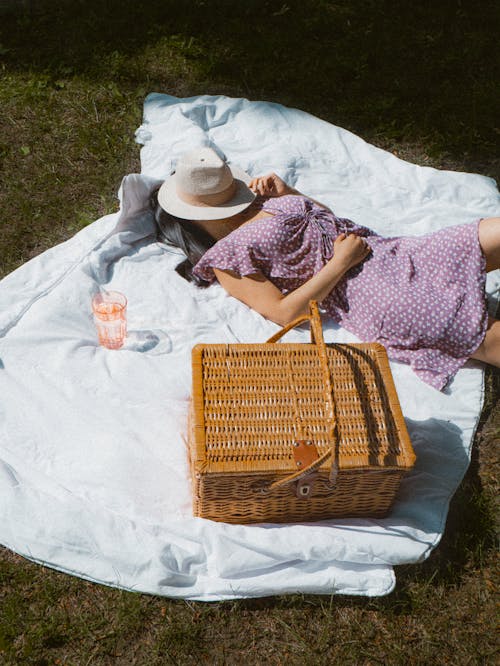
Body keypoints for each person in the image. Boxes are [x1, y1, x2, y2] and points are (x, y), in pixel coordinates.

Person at [152, 146, 500, 391]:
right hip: (367, 295)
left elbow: (324, 222)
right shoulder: (227, 257)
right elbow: (284, 313)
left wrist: (290, 191)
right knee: (482, 335)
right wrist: (339, 264)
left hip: (392, 251)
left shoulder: (261, 196)